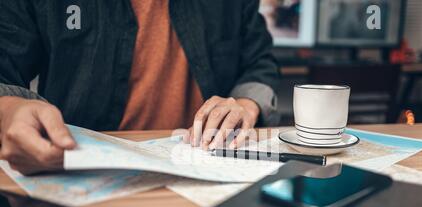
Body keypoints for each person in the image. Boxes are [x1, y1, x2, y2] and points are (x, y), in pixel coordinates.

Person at [0, 0, 279, 174]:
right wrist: (9, 109)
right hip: (81, 178)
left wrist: (245, 104)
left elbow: (259, 62)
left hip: (206, 174)